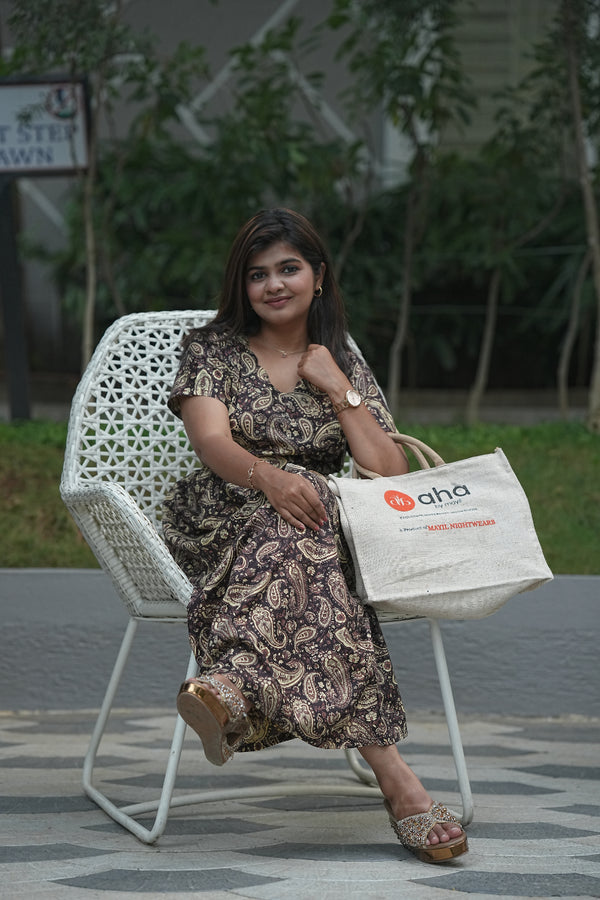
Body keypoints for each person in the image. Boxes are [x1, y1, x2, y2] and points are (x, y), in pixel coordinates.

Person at [162, 208, 468, 864]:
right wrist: (272, 478)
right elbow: (212, 441)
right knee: (307, 517)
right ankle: (399, 782)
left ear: (318, 277)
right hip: (226, 512)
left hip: (322, 526)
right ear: (240, 287)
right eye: (257, 274)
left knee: (315, 524)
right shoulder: (211, 350)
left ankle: (237, 691)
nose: (273, 285)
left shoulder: (341, 358)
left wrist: (338, 391)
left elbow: (390, 471)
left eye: (289, 269)